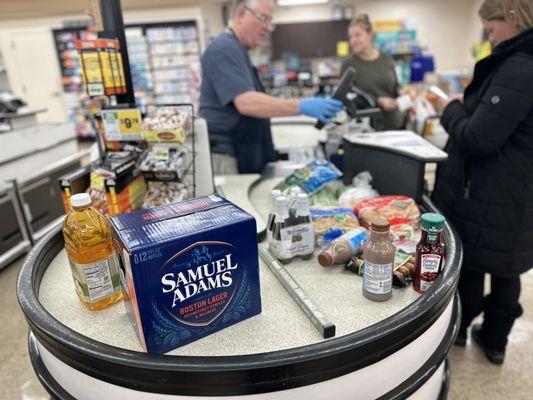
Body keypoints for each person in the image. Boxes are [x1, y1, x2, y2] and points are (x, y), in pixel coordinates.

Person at [431, 0, 533, 364]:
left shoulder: (519, 66)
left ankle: (459, 330)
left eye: (491, 31)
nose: (490, 40)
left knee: (472, 264)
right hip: (516, 189)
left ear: (511, 17)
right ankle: (495, 340)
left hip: (488, 190)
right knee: (507, 268)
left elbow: (477, 138)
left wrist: (451, 109)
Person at [200, 0, 343, 175]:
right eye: (263, 18)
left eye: (270, 22)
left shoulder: (237, 50)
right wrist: (301, 106)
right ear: (241, 13)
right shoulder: (224, 48)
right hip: (227, 156)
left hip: (241, 150)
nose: (267, 28)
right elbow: (247, 102)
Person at [341, 14, 406, 130]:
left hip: (394, 124)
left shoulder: (386, 59)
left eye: (357, 35)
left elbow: (395, 88)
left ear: (370, 35)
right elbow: (345, 99)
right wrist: (377, 101)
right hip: (365, 129)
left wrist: (405, 95)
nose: (353, 41)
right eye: (350, 37)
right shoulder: (348, 65)